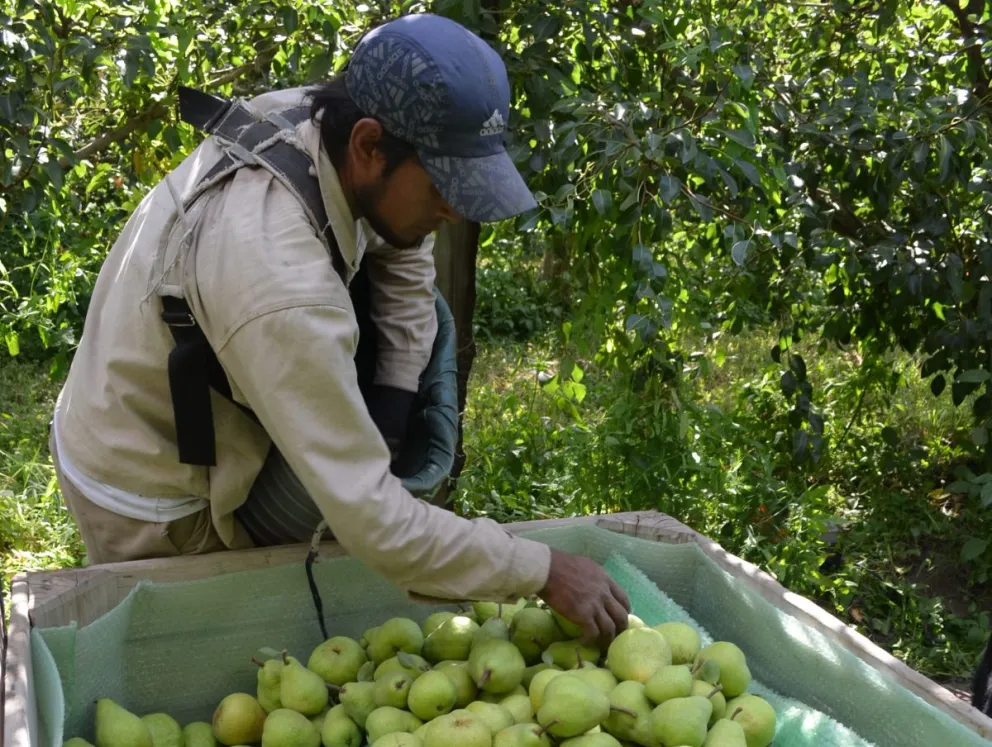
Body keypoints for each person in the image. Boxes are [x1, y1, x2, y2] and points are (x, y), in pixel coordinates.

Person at [49, 13, 630, 645]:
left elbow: (402, 252)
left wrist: (392, 399)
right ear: (369, 146)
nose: (455, 210)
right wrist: (542, 569)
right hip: (147, 484)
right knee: (199, 654)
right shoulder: (279, 283)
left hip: (197, 383)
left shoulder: (318, 123)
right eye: (443, 187)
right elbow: (376, 524)